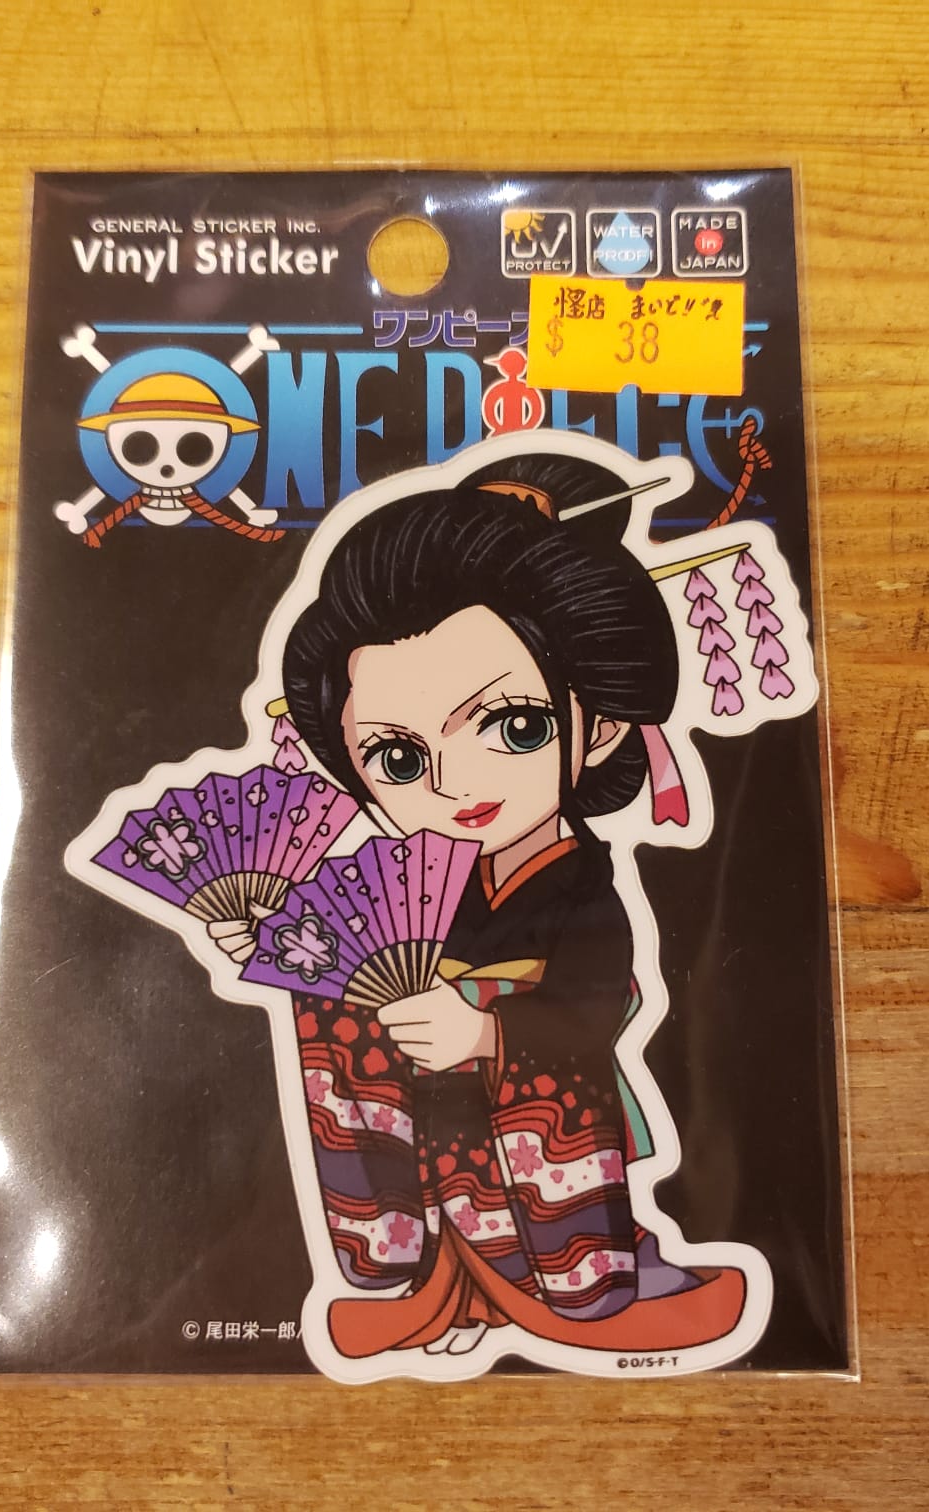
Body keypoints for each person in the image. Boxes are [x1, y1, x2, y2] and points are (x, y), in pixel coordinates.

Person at [210, 456, 749, 1361]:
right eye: (397, 758)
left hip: (537, 1092)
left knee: (526, 1204)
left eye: (514, 727)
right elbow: (352, 953)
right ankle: (451, 1296)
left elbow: (593, 1005)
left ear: (598, 727)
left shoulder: (580, 884)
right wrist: (277, 944)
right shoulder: (418, 881)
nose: (453, 785)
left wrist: (487, 1033)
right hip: (439, 1090)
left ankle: (559, 1292)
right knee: (442, 1187)